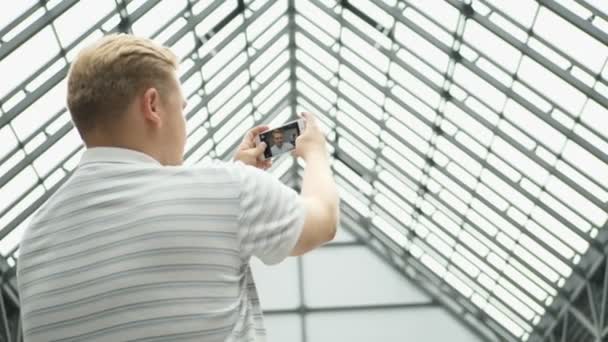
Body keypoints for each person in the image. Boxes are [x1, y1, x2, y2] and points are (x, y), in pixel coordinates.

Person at [17, 34, 339, 342]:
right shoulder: (230, 189)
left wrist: (233, 182)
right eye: (182, 108)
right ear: (153, 106)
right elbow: (322, 221)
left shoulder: (33, 242)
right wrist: (315, 153)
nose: (184, 124)